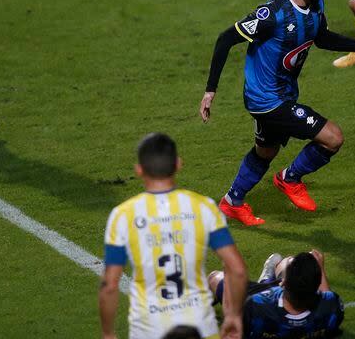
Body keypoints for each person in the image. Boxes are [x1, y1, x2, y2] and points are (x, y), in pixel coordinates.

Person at [199, 0, 355, 226]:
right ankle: (289, 178)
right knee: (332, 138)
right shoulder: (272, 15)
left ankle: (232, 201)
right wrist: (210, 91)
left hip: (282, 94)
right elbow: (224, 39)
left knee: (265, 151)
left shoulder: (316, 3)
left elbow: (322, 37)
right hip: (267, 100)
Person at [99, 133, 248, 339]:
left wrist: (108, 333)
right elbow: (237, 270)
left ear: (139, 170)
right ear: (178, 164)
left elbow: (110, 285)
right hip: (201, 327)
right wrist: (233, 315)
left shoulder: (123, 215)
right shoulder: (203, 207)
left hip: (147, 331)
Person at [208, 250, 344, 339]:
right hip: (288, 294)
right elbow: (328, 300)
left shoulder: (256, 305)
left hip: (265, 296)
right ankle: (269, 278)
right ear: (317, 286)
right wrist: (319, 267)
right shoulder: (333, 306)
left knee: (214, 278)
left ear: (283, 282)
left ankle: (266, 280)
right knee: (288, 262)